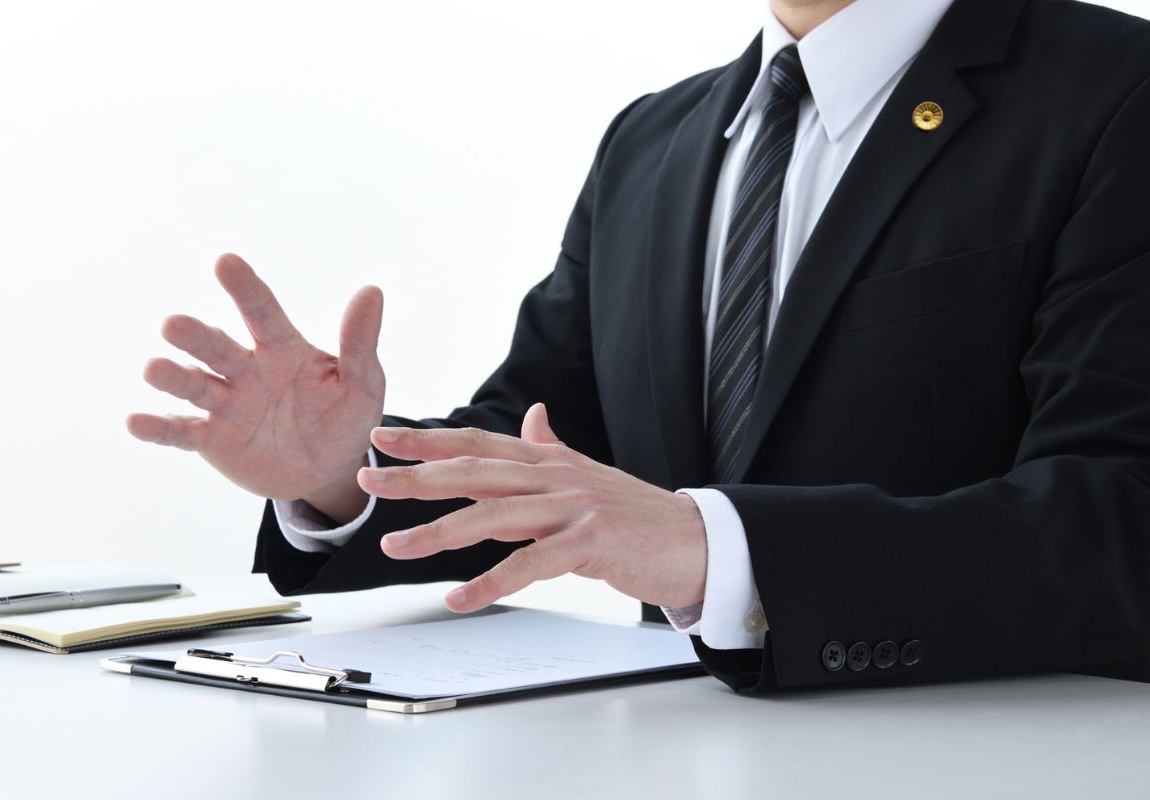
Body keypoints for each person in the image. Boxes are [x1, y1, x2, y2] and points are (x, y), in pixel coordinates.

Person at [128, 0, 1150, 692]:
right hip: (677, 759)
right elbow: (543, 460)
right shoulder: (651, 143)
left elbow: (1120, 519)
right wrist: (347, 479)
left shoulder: (1116, 95)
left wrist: (712, 545)